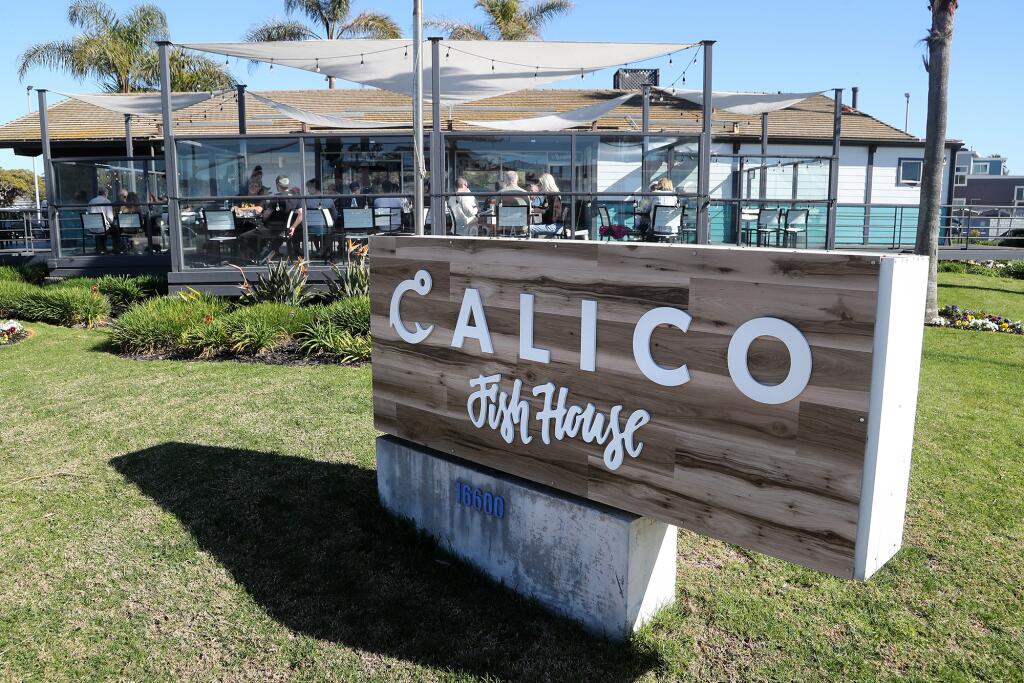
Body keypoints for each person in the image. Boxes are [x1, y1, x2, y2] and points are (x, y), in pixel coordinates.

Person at [240, 175, 303, 263]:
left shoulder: (276, 198)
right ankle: (265, 257)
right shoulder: (296, 196)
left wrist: (263, 215)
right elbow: (301, 214)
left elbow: (266, 215)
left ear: (277, 185)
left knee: (244, 236)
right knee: (272, 237)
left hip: (272, 229)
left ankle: (246, 260)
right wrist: (293, 227)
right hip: (286, 230)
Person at [529, 173, 564, 238]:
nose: (539, 186)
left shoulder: (554, 196)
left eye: (541, 184)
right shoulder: (549, 196)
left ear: (546, 184)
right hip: (552, 225)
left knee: (527, 228)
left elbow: (554, 215)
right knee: (530, 227)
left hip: (554, 226)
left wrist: (541, 210)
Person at [87, 188, 115, 253]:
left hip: (92, 227)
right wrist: (112, 222)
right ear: (105, 193)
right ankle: (109, 247)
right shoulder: (106, 201)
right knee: (114, 229)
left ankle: (99, 247)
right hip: (103, 228)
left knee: (100, 228)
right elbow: (110, 218)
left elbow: (88, 213)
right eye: (107, 193)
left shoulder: (91, 201)